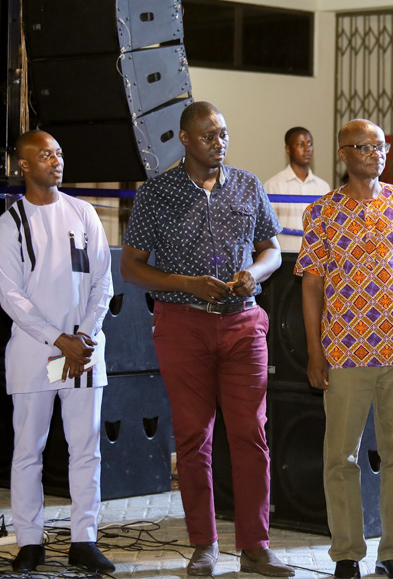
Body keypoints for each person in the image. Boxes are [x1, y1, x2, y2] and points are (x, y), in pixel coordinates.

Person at [120, 101, 293, 577]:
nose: (219, 143)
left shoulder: (247, 184)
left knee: (251, 435)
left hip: (242, 324)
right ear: (185, 140)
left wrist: (251, 274)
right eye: (209, 136)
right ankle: (204, 544)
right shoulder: (157, 194)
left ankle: (255, 546)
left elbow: (272, 250)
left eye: (223, 134)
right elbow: (130, 265)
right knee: (195, 438)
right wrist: (184, 282)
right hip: (183, 324)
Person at [297, 119, 393, 579]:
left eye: (380, 146)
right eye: (363, 146)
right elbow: (312, 286)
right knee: (341, 458)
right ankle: (347, 555)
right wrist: (315, 352)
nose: (374, 153)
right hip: (345, 351)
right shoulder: (322, 212)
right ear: (343, 154)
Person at [0, 131, 115, 574]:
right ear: (24, 165)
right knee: (29, 448)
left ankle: (84, 539)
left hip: (83, 353)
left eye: (60, 153)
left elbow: (103, 281)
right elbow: (11, 297)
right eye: (46, 154)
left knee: (86, 448)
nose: (57, 160)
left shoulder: (83, 212)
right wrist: (58, 339)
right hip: (38, 354)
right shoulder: (11, 224)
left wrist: (83, 336)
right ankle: (30, 541)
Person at [263, 127, 331, 252]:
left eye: (310, 144)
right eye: (300, 144)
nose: (307, 149)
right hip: (284, 258)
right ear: (288, 149)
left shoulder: (323, 187)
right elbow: (267, 231)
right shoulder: (273, 185)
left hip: (315, 261)